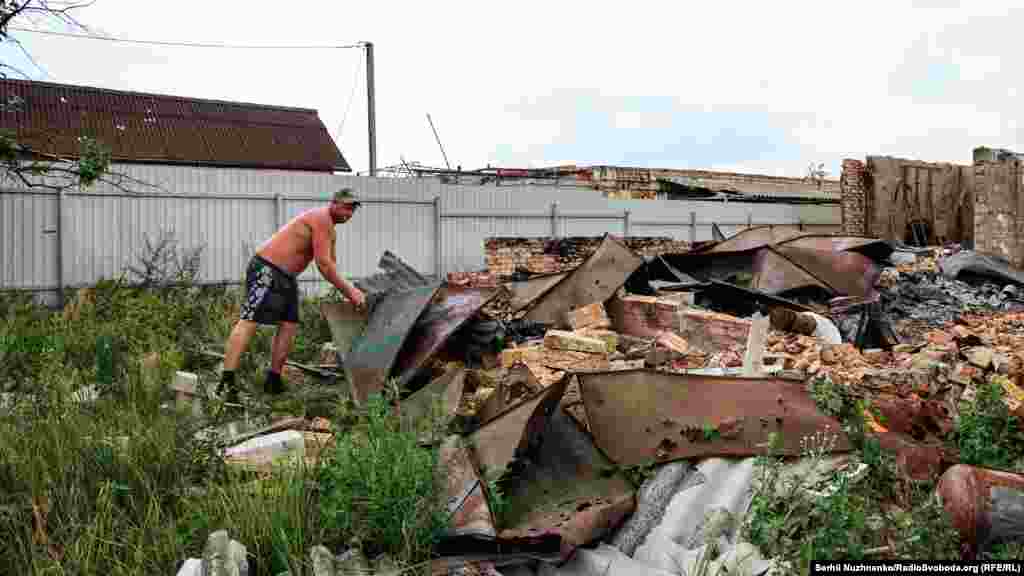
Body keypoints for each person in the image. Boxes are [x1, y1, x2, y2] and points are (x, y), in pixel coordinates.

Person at [217, 188, 367, 403]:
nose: (349, 214)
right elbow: (323, 265)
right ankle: (226, 381)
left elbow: (331, 265)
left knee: (289, 324)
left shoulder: (330, 231)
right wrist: (351, 292)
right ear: (333, 203)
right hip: (266, 270)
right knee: (250, 319)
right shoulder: (321, 218)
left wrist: (351, 292)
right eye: (346, 207)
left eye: (353, 210)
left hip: (286, 277)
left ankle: (274, 380)